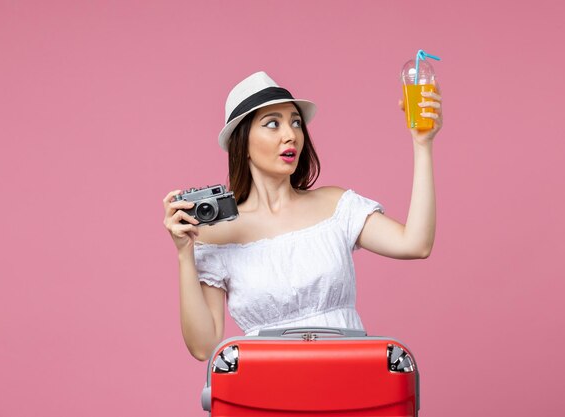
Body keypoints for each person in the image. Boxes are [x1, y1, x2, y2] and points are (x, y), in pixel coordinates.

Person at [162, 71, 442, 361]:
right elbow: (203, 346)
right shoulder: (218, 235)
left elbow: (416, 244)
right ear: (242, 142)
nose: (291, 134)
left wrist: (423, 145)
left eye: (295, 122)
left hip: (348, 381)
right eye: (273, 123)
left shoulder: (335, 205)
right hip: (268, 392)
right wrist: (185, 254)